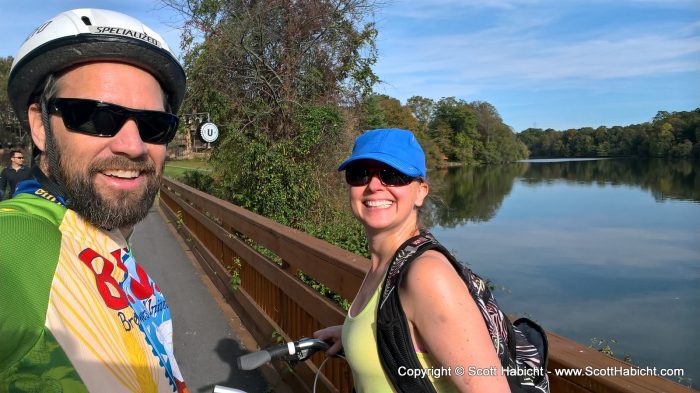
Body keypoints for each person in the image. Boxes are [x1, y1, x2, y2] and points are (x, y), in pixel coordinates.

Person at [0, 9, 188, 392]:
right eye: (97, 117)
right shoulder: (14, 243)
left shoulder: (99, 229)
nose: (134, 146)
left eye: (154, 125)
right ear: (39, 126)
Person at [314, 129, 511, 392]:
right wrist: (354, 336)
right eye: (360, 174)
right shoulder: (386, 264)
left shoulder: (427, 274)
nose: (374, 185)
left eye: (392, 175)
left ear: (420, 192)